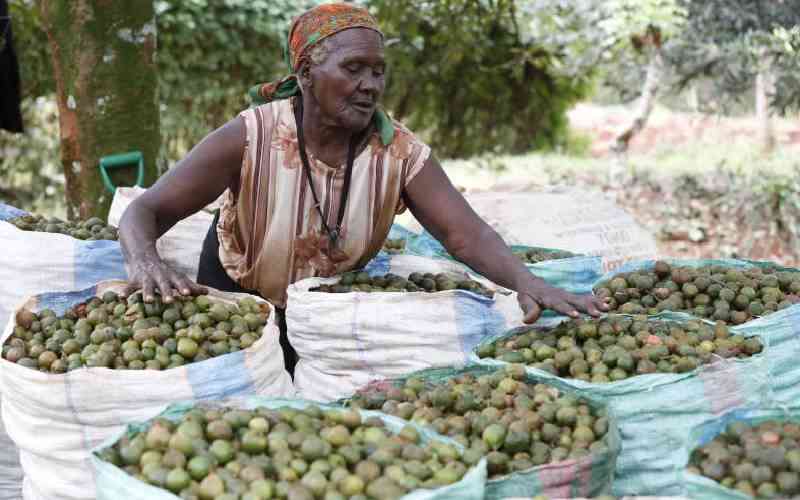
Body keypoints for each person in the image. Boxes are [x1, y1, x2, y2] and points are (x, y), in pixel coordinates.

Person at [119, 3, 608, 375]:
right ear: (308, 73)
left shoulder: (399, 154)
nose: (370, 84)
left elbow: (466, 236)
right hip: (238, 291)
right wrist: (146, 261)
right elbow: (147, 211)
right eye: (353, 69)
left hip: (328, 308)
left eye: (378, 72)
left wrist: (526, 281)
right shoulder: (251, 136)